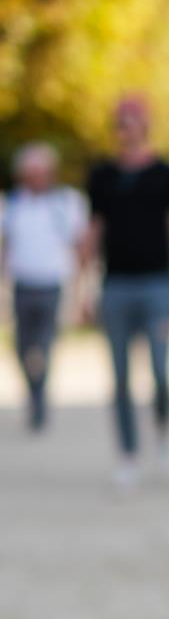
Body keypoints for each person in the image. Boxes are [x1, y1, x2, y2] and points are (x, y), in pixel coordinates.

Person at [82, 96, 169, 488]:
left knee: (160, 370)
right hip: (115, 285)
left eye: (133, 120)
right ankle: (128, 453)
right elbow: (93, 234)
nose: (127, 128)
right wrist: (82, 289)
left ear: (145, 125)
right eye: (121, 121)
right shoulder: (102, 176)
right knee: (118, 377)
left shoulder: (168, 175)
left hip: (157, 285)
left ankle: (164, 436)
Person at [0, 143, 87, 429]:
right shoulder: (11, 205)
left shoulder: (65, 203)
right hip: (23, 284)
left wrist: (83, 287)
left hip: (52, 284)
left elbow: (79, 245)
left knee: (45, 344)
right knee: (22, 347)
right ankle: (34, 392)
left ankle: (40, 398)